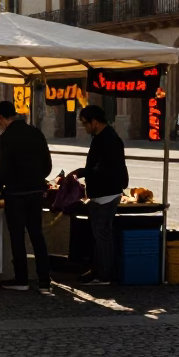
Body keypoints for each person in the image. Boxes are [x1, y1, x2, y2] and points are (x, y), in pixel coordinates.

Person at [0, 100, 53, 293]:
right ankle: (44, 281)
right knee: (37, 234)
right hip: (36, 192)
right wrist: (36, 178)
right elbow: (47, 165)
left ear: (0, 118)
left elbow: (3, 168)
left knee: (17, 237)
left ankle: (22, 279)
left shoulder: (6, 138)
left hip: (15, 193)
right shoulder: (36, 132)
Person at [70, 105, 128, 286]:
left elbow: (103, 168)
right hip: (102, 193)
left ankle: (104, 274)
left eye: (86, 123)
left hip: (107, 193)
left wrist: (82, 172)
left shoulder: (108, 139)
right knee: (99, 235)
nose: (85, 127)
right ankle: (97, 269)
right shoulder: (102, 137)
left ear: (94, 122)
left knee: (102, 235)